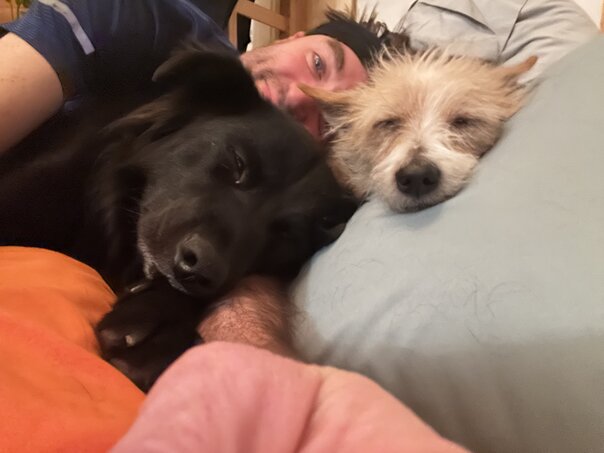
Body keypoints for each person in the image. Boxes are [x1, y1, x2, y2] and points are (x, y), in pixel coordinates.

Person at [0, 1, 388, 152]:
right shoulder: (150, 21)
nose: (302, 97)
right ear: (293, 38)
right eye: (318, 64)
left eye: (330, 120)